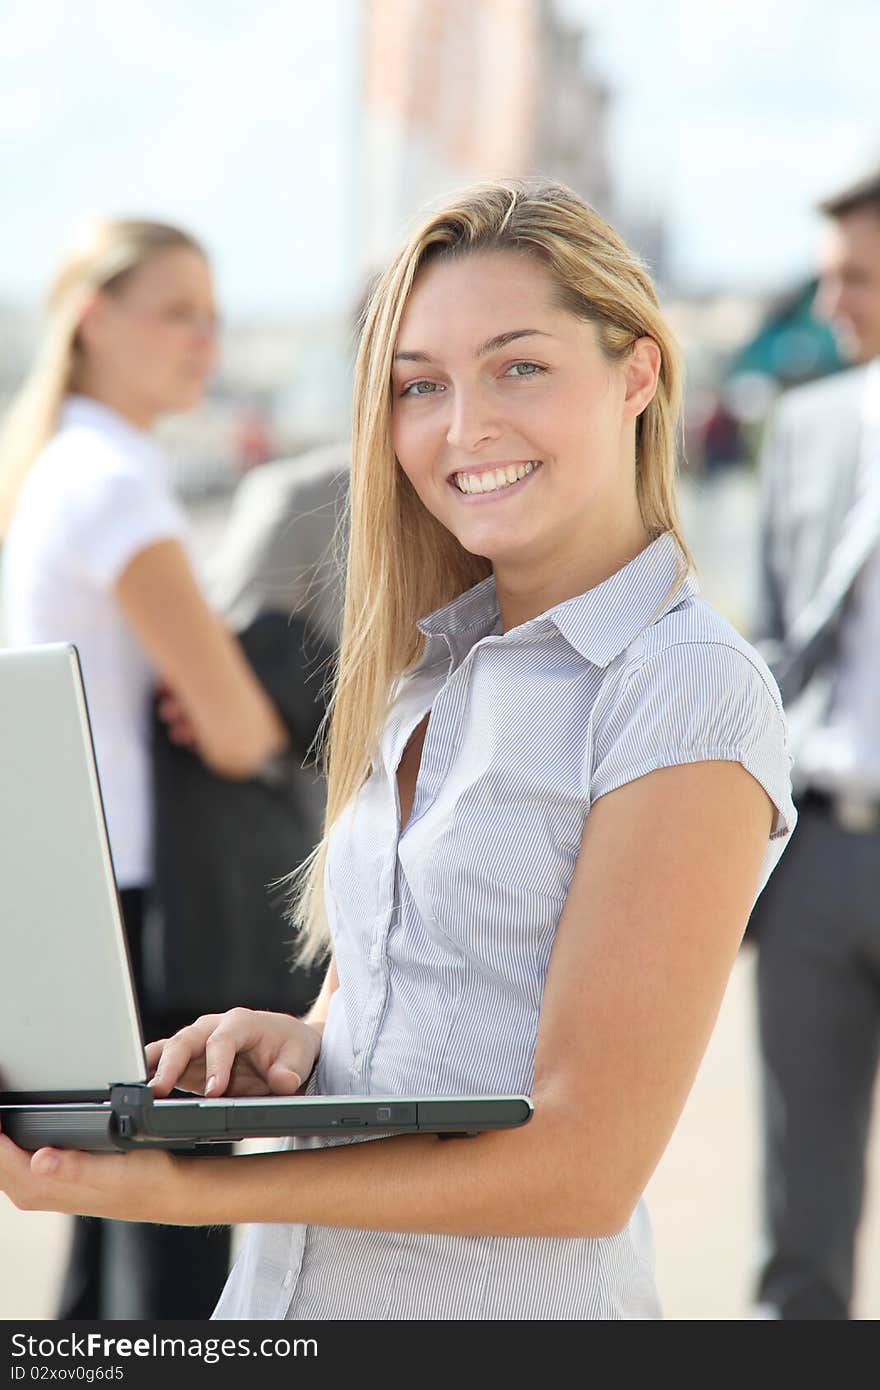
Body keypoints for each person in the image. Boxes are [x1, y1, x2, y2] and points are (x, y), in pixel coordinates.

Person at [0, 180, 796, 1321]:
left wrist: (188, 1192)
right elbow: (398, 996)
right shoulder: (432, 664)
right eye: (419, 385)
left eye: (518, 366)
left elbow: (583, 1167)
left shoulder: (686, 694)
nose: (462, 425)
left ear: (636, 374)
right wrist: (296, 1040)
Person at [0, 218, 290, 1319]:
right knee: (170, 1250)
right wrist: (260, 706)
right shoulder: (118, 479)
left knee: (103, 1227)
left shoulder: (57, 466)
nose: (203, 341)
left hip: (79, 892)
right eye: (177, 312)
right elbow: (234, 728)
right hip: (144, 905)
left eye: (213, 318)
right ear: (91, 320)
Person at [746, 167, 880, 1320]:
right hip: (820, 852)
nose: (836, 304)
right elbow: (773, 639)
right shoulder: (805, 425)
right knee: (800, 1212)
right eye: (833, 274)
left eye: (860, 277)